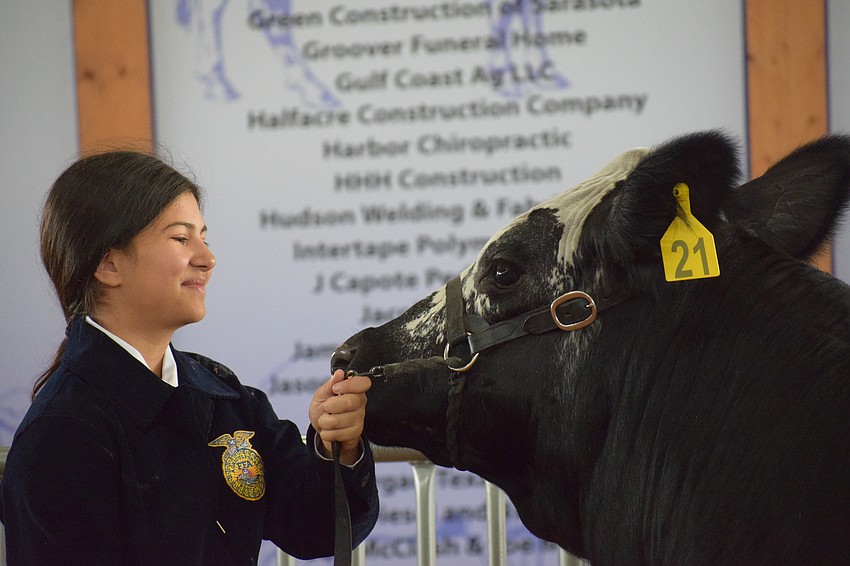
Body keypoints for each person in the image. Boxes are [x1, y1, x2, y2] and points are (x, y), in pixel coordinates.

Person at [0, 150, 378, 564]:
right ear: (108, 263)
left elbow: (315, 527)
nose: (208, 259)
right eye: (181, 238)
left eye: (204, 237)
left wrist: (333, 445)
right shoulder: (63, 432)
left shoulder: (223, 397)